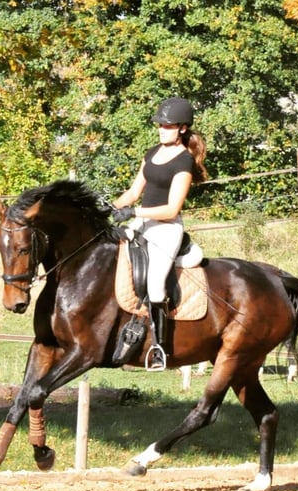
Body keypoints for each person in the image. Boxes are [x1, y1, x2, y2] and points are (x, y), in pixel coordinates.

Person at [111, 97, 208, 371]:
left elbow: (171, 208)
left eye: (167, 126)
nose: (161, 129)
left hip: (166, 229)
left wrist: (134, 213)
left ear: (182, 128)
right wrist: (110, 207)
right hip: (143, 222)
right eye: (160, 125)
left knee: (155, 284)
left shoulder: (184, 162)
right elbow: (133, 193)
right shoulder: (152, 152)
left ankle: (158, 348)